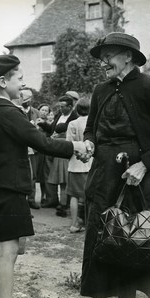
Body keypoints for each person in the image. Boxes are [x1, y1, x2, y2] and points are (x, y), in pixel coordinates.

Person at [78, 32, 150, 298]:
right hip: (106, 177)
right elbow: (91, 129)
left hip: (146, 180)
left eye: (108, 56)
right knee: (113, 239)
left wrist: (144, 164)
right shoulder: (100, 90)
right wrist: (90, 143)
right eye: (102, 57)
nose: (103, 62)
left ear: (128, 56)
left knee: (148, 238)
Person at [0, 54, 86, 298]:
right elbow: (42, 143)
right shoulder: (10, 113)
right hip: (10, 191)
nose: (24, 84)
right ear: (3, 81)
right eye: (20, 78)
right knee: (8, 252)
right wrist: (75, 147)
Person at [66, 97, 92, 233]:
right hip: (91, 162)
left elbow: (68, 143)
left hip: (75, 163)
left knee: (74, 195)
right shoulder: (93, 123)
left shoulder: (72, 124)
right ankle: (90, 223)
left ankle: (74, 223)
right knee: (90, 195)